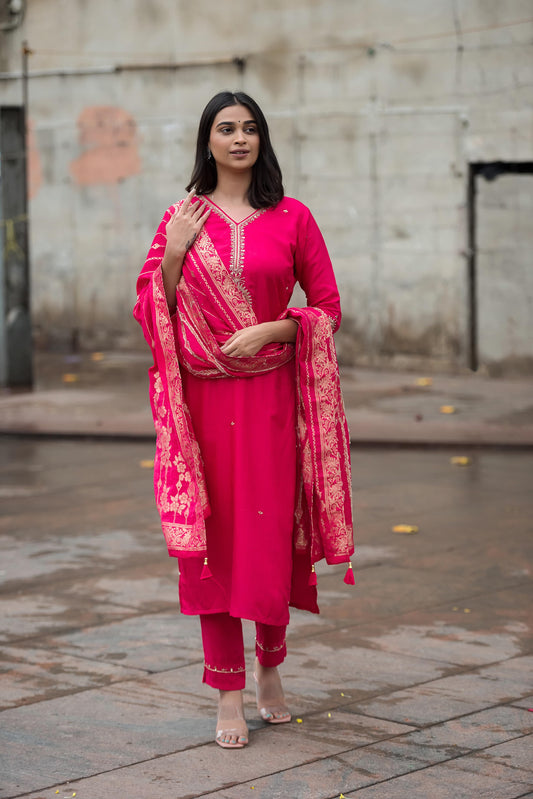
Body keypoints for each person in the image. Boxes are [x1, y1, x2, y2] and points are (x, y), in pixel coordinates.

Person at [134, 90, 354, 749]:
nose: (239, 138)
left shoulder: (292, 217)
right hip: (204, 407)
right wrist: (174, 253)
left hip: (269, 402)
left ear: (262, 140)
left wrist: (272, 330)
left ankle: (269, 668)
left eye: (250, 128)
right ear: (207, 141)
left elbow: (328, 308)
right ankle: (227, 690)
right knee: (214, 546)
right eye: (226, 128)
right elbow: (150, 309)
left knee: (266, 537)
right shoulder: (182, 217)